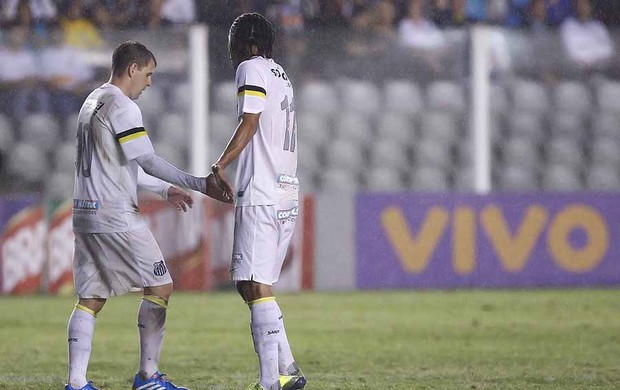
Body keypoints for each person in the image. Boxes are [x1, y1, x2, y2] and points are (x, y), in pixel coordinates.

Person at [65, 40, 231, 390]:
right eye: (149, 74)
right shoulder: (124, 107)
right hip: (115, 215)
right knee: (160, 285)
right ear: (132, 69)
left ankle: (76, 383)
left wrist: (164, 189)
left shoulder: (92, 101)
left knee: (91, 297)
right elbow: (147, 160)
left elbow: (119, 163)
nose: (150, 82)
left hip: (85, 213)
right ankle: (148, 377)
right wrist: (198, 183)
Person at [210, 13, 306, 390]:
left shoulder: (250, 68)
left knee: (255, 284)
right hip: (284, 189)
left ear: (245, 45)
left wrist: (221, 164)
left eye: (234, 44)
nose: (232, 54)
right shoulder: (280, 73)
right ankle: (288, 367)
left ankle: (271, 381)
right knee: (250, 285)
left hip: (262, 191)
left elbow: (250, 121)